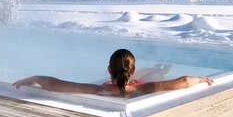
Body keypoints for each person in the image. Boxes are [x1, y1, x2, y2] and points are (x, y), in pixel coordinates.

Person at [12, 48, 213, 97]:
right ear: (132, 71)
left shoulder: (98, 89)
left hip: (115, 87)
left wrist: (34, 79)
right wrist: (203, 78)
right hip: (136, 86)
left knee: (150, 75)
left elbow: (56, 84)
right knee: (153, 77)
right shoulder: (140, 90)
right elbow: (185, 81)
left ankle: (155, 69)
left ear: (108, 70)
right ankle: (157, 70)